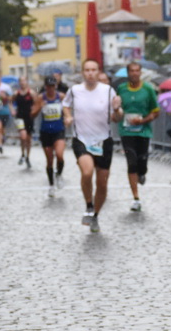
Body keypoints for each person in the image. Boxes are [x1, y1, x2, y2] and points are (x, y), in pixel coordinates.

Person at [68, 58, 122, 232]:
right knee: (87, 171)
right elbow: (65, 106)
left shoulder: (107, 91)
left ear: (98, 72)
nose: (90, 73)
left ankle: (95, 215)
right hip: (81, 138)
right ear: (83, 73)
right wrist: (67, 117)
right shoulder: (75, 90)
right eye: (87, 70)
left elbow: (117, 117)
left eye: (93, 70)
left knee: (102, 183)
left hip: (103, 140)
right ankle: (89, 205)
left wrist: (117, 109)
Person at [115, 60, 159, 213]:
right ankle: (136, 198)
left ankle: (142, 173)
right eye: (131, 71)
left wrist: (143, 120)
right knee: (131, 162)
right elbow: (117, 110)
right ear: (128, 73)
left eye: (137, 71)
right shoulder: (121, 89)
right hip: (126, 131)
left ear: (140, 73)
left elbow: (156, 111)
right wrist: (117, 112)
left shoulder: (148, 89)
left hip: (143, 131)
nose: (134, 73)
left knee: (142, 162)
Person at [38, 76, 69, 195]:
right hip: (46, 132)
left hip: (58, 130)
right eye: (48, 86)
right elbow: (33, 113)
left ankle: (59, 174)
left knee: (60, 155)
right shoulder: (41, 97)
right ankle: (51, 185)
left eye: (53, 86)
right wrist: (40, 106)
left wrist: (67, 117)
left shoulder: (61, 96)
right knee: (50, 160)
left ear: (55, 86)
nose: (51, 89)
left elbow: (67, 109)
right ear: (45, 87)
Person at [14, 81, 39, 168]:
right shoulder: (16, 93)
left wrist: (34, 110)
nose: (22, 83)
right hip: (20, 117)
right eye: (21, 81)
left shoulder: (31, 93)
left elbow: (37, 103)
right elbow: (9, 101)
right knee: (23, 136)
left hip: (29, 117)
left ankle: (27, 156)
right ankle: (22, 154)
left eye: (24, 81)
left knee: (28, 138)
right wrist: (12, 110)